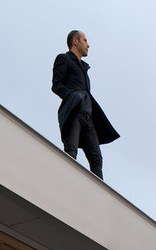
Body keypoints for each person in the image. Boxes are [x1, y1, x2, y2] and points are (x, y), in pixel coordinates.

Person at [51, 30, 119, 180]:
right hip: (74, 111)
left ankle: (98, 195)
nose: (88, 45)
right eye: (85, 40)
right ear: (75, 41)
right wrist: (73, 96)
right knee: (71, 151)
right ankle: (65, 184)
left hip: (88, 117)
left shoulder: (84, 67)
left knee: (97, 159)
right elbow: (56, 85)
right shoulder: (64, 59)